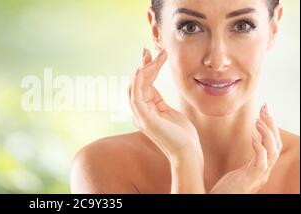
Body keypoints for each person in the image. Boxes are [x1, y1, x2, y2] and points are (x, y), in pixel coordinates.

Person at [70, 0, 299, 194]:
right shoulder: (103, 166)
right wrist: (183, 158)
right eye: (190, 27)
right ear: (156, 31)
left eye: (242, 25)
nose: (217, 60)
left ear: (274, 28)